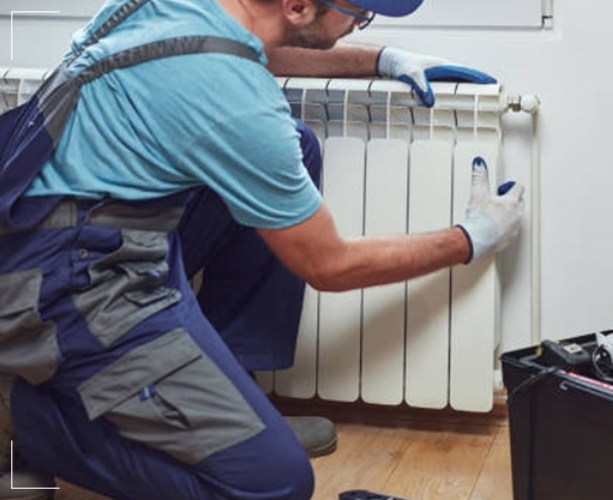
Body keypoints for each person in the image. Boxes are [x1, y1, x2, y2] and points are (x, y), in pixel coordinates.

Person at [0, 0, 524, 498]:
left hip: (42, 225)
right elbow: (330, 264)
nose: (358, 24)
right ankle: (25, 417)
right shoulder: (237, 101)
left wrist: (381, 60)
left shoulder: (176, 12)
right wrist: (468, 238)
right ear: (296, 6)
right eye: (359, 15)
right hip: (66, 284)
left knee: (299, 145)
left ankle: (231, 402)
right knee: (274, 485)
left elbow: (254, 49)